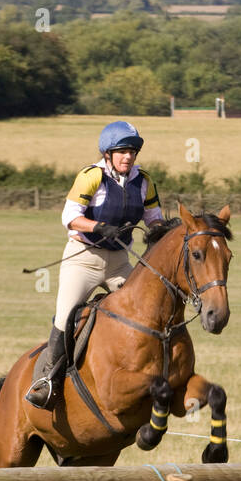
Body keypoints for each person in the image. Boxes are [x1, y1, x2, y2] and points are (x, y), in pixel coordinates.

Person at [25, 120, 163, 408]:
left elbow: (154, 221)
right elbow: (69, 217)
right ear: (108, 153)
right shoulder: (91, 176)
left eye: (133, 151)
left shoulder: (144, 182)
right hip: (84, 260)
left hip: (120, 262)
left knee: (146, 311)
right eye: (123, 151)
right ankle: (47, 381)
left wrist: (165, 231)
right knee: (65, 319)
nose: (129, 156)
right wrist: (99, 226)